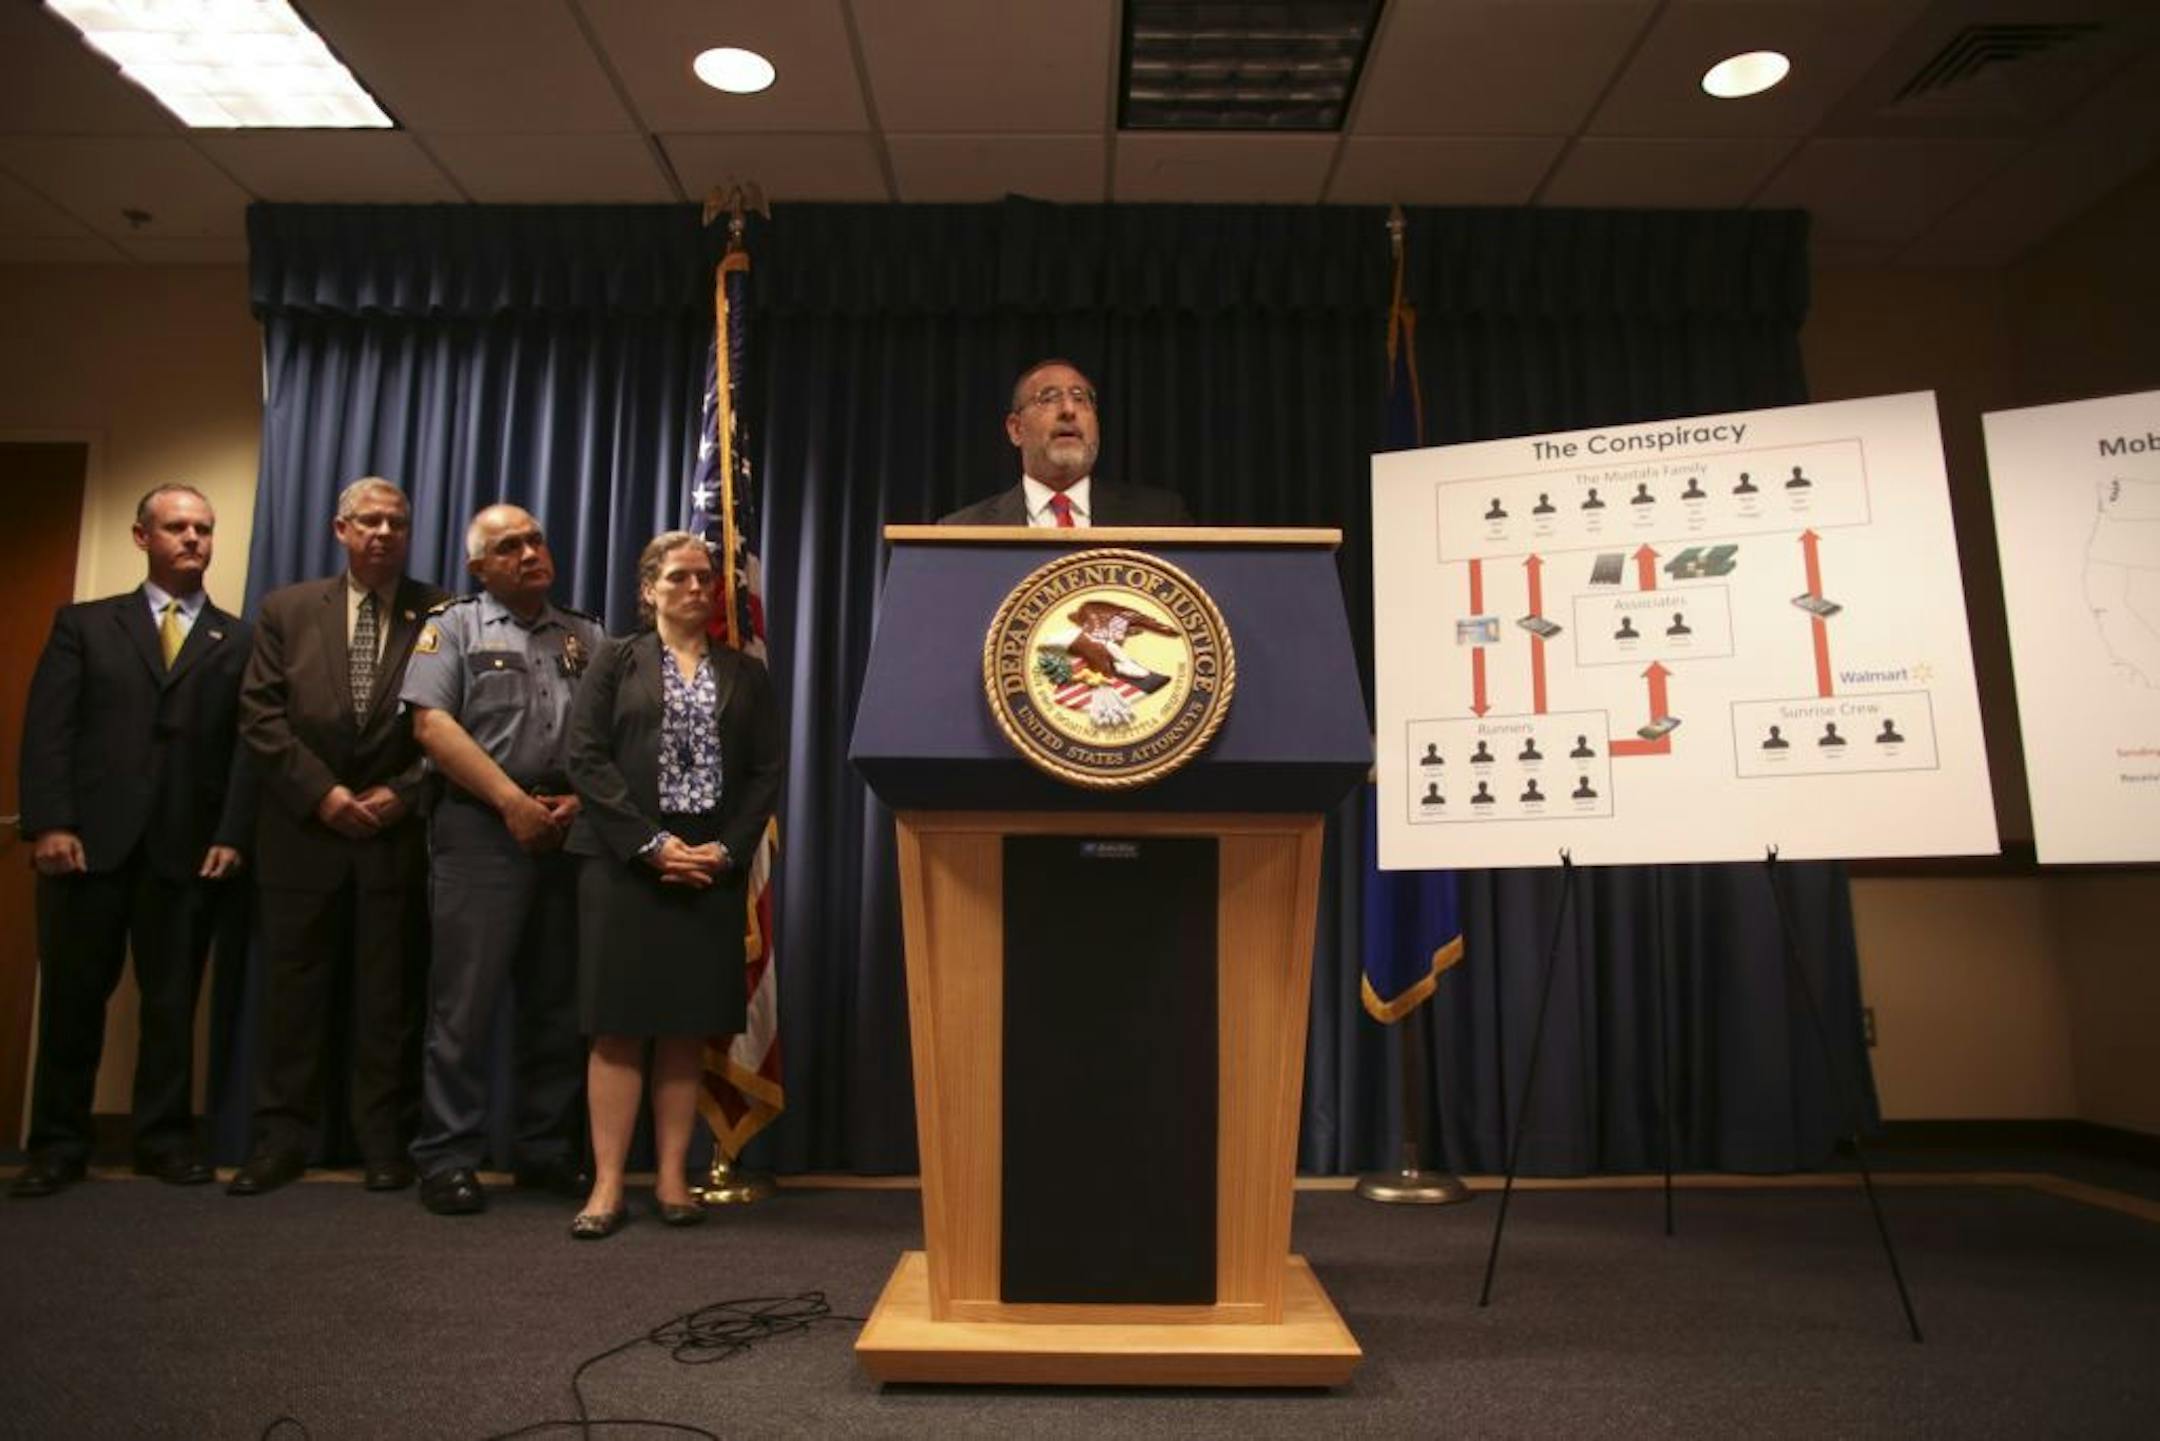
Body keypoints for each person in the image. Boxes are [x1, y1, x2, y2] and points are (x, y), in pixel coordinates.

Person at [11, 485, 255, 1198]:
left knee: (172, 1006)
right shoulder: (84, 625)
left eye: (204, 528)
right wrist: (51, 822)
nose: (193, 539)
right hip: (87, 848)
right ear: (141, 536)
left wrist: (233, 833)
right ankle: (57, 1144)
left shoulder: (236, 639)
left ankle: (164, 1139)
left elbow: (249, 749)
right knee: (72, 1002)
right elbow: (47, 732)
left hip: (186, 851)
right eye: (176, 527)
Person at [230, 478, 449, 1197]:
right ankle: (281, 1138)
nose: (384, 532)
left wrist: (404, 793)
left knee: (388, 1000)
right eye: (370, 521)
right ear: (341, 529)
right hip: (303, 834)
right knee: (293, 995)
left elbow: (463, 720)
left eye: (396, 522)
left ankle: (384, 1142)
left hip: (394, 835)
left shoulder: (441, 609)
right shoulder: (287, 609)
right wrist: (322, 793)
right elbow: (261, 716)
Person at [564, 532, 784, 1239]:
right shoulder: (613, 659)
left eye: (705, 578)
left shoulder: (744, 673)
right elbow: (585, 757)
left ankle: (670, 1177)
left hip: (709, 873)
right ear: (649, 589)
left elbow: (765, 773)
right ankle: (606, 1185)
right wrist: (650, 846)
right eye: (680, 578)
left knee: (686, 1028)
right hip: (624, 867)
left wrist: (723, 851)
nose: (696, 588)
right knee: (617, 1027)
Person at [399, 505, 606, 1216]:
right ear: (479, 566)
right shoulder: (452, 625)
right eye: (509, 546)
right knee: (465, 1002)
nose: (529, 553)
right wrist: (511, 801)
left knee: (558, 1001)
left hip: (569, 831)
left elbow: (609, 736)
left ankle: (544, 1149)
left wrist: (580, 799)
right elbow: (431, 724)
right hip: (482, 829)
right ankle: (448, 1154)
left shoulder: (587, 633)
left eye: (537, 539)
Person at [940, 359, 1191, 526]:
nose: (1069, 410)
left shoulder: (1161, 518)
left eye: (1081, 398)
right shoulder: (963, 530)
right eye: (1048, 398)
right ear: (1016, 429)